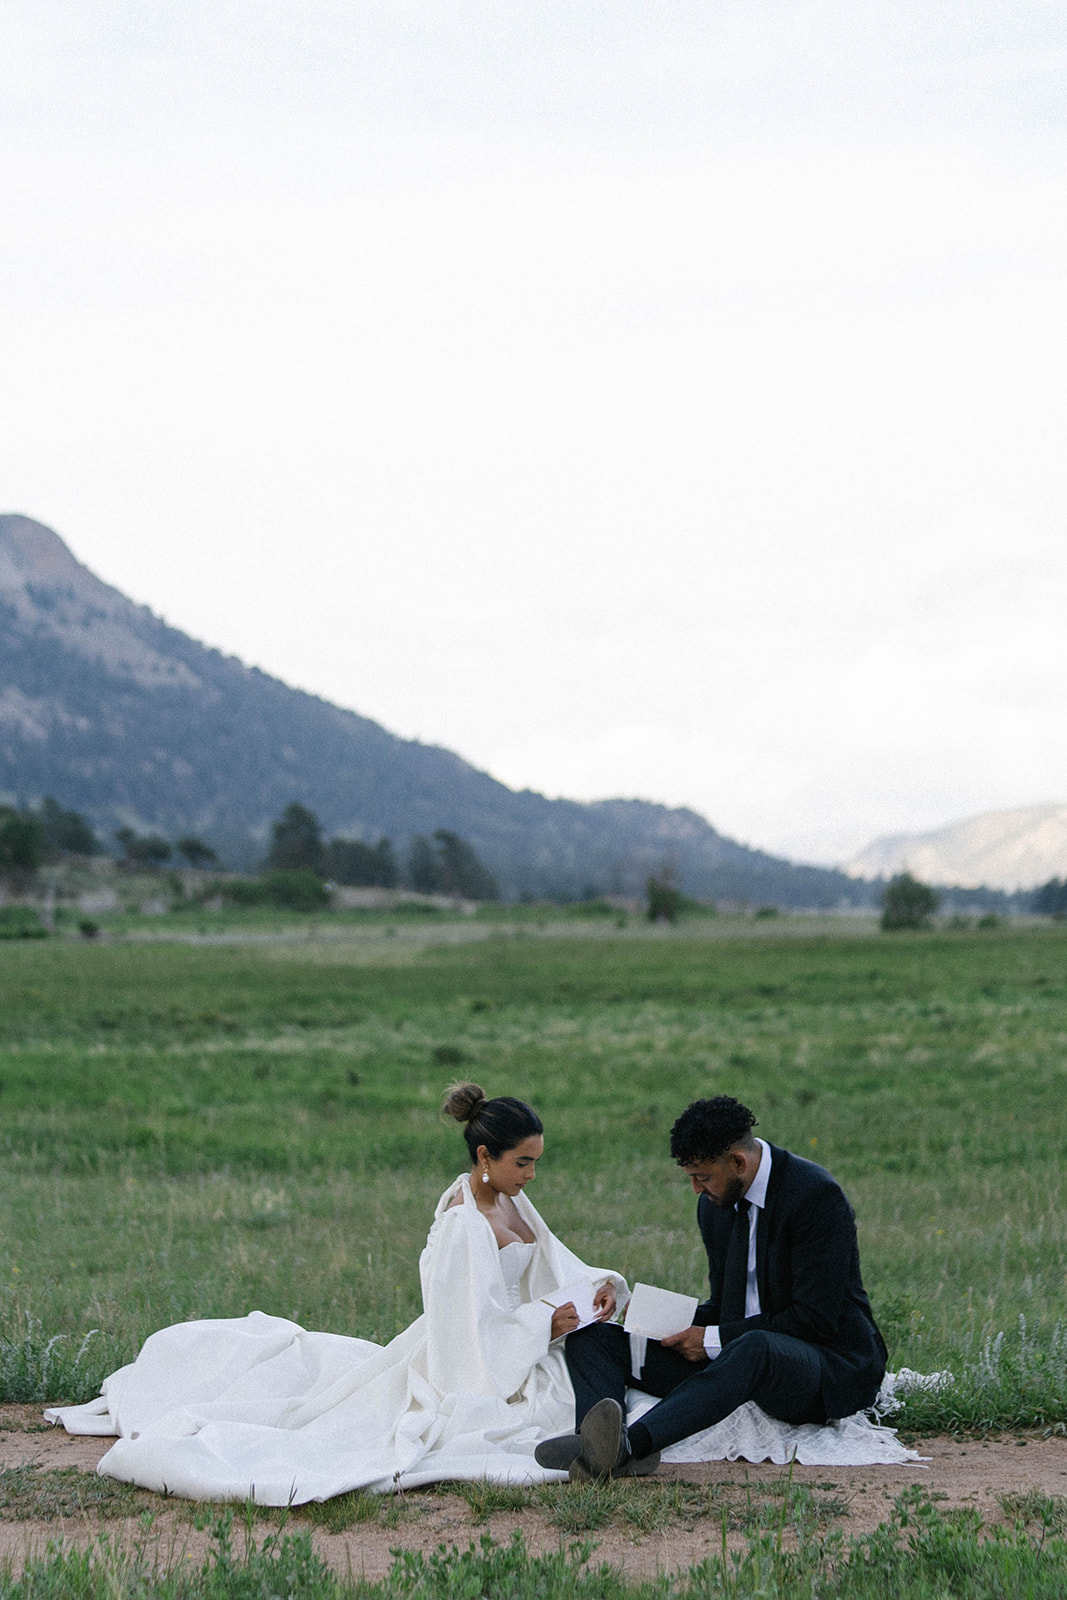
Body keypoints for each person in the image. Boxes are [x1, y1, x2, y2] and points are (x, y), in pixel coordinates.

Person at [46, 1085, 628, 1504]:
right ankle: (600, 1446)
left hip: (521, 1337)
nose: (531, 1175)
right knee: (540, 1405)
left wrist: (598, 1286)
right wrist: (538, 1326)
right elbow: (464, 1331)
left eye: (535, 1163)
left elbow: (553, 1261)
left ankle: (612, 1440)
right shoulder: (462, 1224)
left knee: (595, 1370)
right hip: (483, 1353)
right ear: (484, 1157)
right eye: (523, 1163)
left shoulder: (510, 1198)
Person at [536, 1095, 888, 1480]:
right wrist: (645, 1314)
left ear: (738, 1162)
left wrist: (711, 1339)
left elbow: (813, 1320)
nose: (695, 1189)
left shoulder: (816, 1197)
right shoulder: (716, 1205)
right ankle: (595, 1446)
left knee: (755, 1348)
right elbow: (726, 1305)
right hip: (740, 1355)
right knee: (596, 1337)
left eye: (702, 1176)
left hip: (825, 1366)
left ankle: (631, 1446)